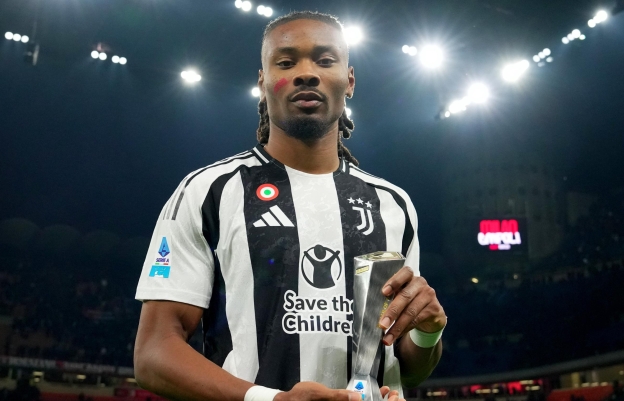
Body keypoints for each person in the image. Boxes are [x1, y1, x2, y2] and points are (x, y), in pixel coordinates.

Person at [133, 11, 447, 401]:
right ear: (262, 81)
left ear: (349, 81)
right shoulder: (208, 191)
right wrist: (272, 400)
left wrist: (428, 329)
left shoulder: (393, 205)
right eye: (285, 62)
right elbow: (153, 353)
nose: (306, 73)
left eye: (325, 60)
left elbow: (407, 369)